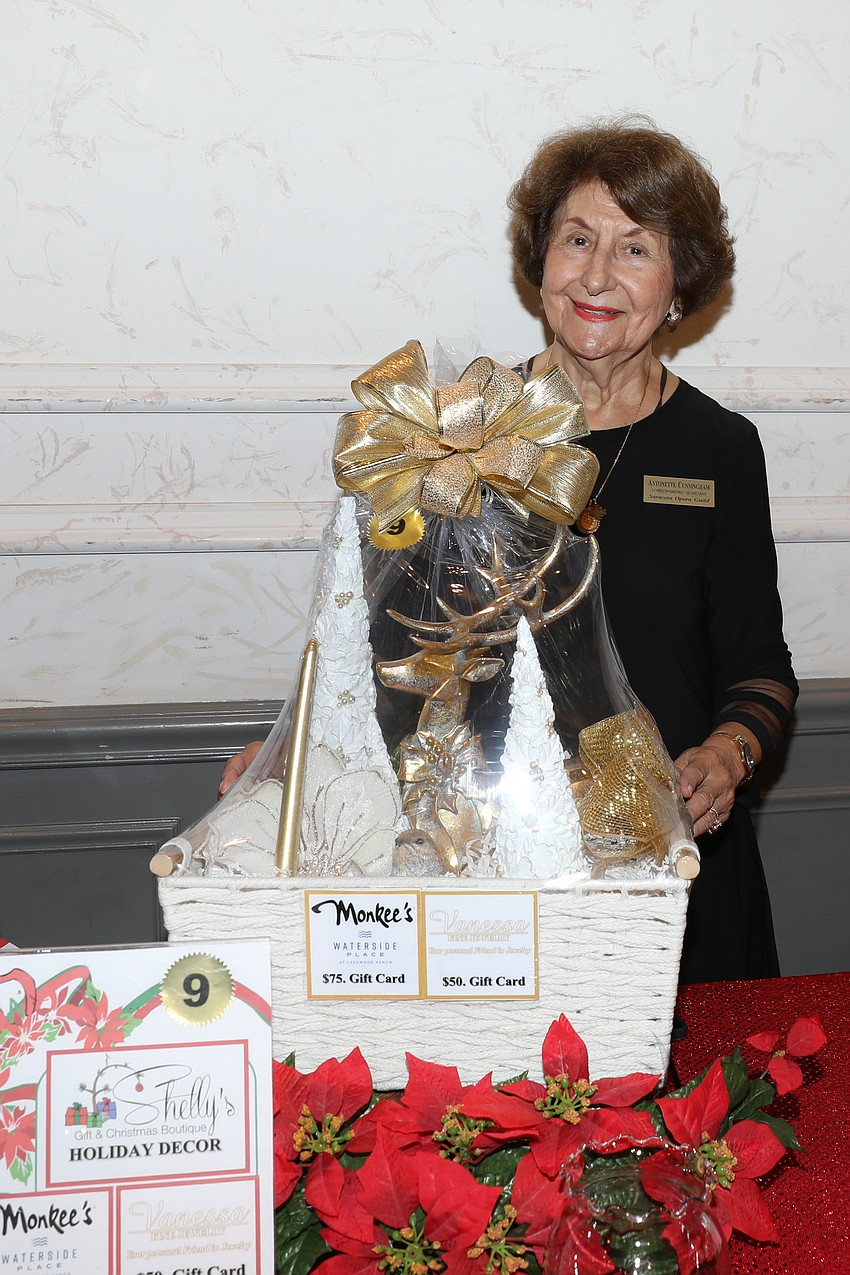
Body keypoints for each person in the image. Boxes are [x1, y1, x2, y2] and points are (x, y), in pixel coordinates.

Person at [221, 121, 798, 984]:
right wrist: (300, 759)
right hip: (489, 880)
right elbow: (386, 658)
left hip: (668, 870)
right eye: (577, 240)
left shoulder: (720, 450)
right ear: (542, 263)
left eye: (635, 248)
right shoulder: (449, 433)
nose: (598, 276)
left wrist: (729, 753)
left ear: (680, 286)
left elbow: (759, 669)